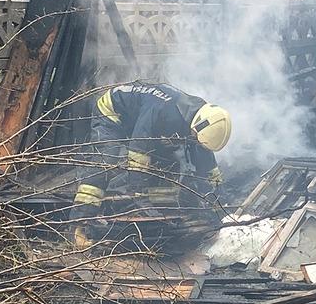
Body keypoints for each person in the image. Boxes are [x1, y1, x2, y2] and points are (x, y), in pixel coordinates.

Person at [71, 83, 231, 247]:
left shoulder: (200, 118)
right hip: (112, 112)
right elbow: (138, 151)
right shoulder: (161, 109)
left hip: (137, 118)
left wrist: (221, 203)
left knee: (167, 163)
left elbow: (206, 163)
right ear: (198, 125)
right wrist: (139, 197)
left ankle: (144, 206)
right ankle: (80, 227)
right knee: (105, 161)